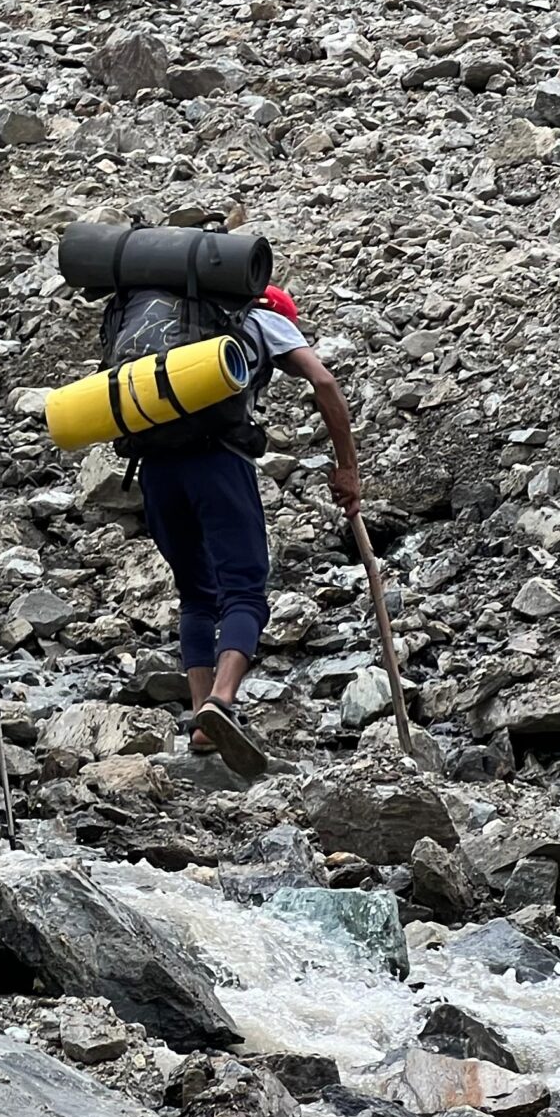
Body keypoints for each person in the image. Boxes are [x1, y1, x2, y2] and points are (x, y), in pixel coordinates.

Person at [143, 281, 360, 777]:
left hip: (154, 465)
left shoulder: (163, 324)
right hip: (217, 461)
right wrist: (347, 467)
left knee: (196, 594)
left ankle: (200, 725)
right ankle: (221, 699)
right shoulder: (264, 319)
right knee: (243, 590)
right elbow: (323, 383)